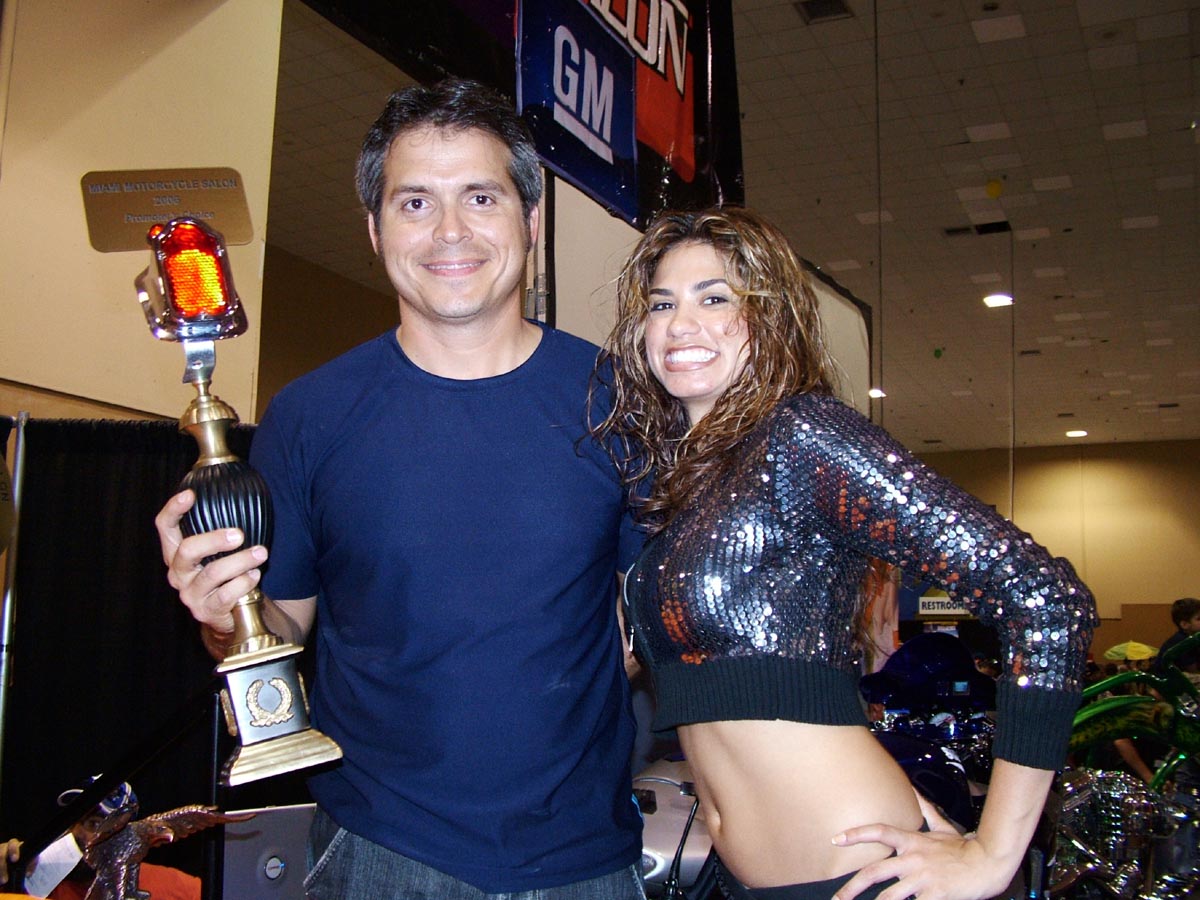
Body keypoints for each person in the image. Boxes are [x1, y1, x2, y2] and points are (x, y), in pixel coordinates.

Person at [155, 79, 645, 899]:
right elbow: (280, 625)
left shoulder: (621, 403)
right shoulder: (310, 416)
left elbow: (647, 625)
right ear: (375, 231)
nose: (450, 230)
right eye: (415, 203)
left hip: (584, 859)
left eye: (480, 197)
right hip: (377, 852)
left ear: (530, 221)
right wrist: (220, 614)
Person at [590, 206, 1098, 900]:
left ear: (769, 317)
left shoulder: (802, 436)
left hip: (847, 874)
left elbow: (1046, 600)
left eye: (715, 298)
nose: (681, 324)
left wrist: (994, 852)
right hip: (742, 875)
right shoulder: (681, 489)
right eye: (662, 303)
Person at [0, 782, 199, 900]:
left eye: (95, 824)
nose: (76, 833)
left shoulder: (178, 889)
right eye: (70, 821)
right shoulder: (30, 881)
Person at [1153, 597, 1200, 674]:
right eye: (1199, 619)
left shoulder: (1195, 638)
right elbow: (1192, 669)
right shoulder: (1183, 641)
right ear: (1184, 624)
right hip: (1168, 678)